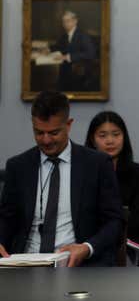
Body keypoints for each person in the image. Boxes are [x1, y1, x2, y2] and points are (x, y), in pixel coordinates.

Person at [0, 91, 122, 266]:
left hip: (78, 266)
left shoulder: (96, 164)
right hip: (24, 266)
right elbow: (6, 219)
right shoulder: (18, 166)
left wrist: (87, 247)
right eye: (39, 133)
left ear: (69, 124)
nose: (46, 140)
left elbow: (114, 222)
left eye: (54, 132)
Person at [85, 111, 139, 260]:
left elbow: (138, 219)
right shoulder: (84, 171)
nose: (110, 141)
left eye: (116, 134)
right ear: (92, 140)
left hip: (129, 244)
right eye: (102, 136)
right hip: (91, 245)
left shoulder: (137, 172)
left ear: (124, 137)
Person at [49, 10, 98, 92]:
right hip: (65, 71)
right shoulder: (65, 35)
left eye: (67, 21)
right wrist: (48, 49)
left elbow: (91, 54)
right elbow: (58, 46)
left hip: (79, 73)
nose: (65, 24)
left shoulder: (83, 36)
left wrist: (69, 57)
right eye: (63, 22)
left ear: (75, 21)